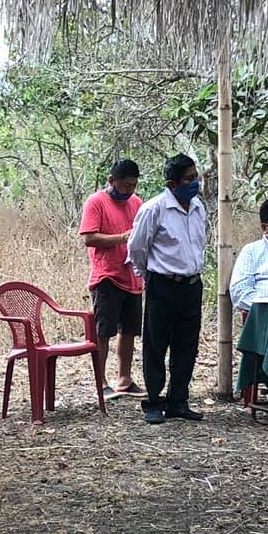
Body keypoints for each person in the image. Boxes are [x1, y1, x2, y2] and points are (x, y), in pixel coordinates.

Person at [127, 154, 209, 424]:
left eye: (195, 177)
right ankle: (153, 401)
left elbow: (199, 243)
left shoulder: (198, 208)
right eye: (188, 179)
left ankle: (178, 401)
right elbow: (137, 247)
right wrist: (148, 276)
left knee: (187, 345)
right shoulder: (154, 209)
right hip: (162, 285)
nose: (194, 183)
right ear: (172, 184)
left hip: (191, 285)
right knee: (156, 344)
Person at [79, 160, 144, 396]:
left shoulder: (137, 203)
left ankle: (124, 379)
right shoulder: (96, 202)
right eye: (125, 185)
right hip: (106, 277)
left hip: (133, 276)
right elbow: (89, 238)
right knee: (104, 331)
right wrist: (121, 238)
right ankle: (101, 382)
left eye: (133, 185)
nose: (129, 190)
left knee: (129, 330)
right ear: (111, 181)